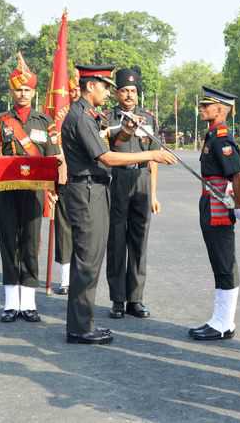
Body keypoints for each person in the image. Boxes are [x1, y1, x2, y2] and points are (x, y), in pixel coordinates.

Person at [61, 64, 176, 345]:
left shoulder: (88, 115)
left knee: (94, 258)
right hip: (88, 190)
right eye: (106, 86)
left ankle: (84, 322)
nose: (110, 92)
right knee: (88, 260)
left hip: (99, 189)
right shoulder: (82, 117)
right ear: (91, 86)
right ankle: (80, 327)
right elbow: (108, 157)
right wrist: (153, 153)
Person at [0, 53, 60, 323]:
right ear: (12, 91)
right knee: (8, 244)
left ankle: (29, 302)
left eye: (27, 89)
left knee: (30, 244)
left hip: (35, 192)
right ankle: (10, 303)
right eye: (18, 89)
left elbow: (54, 156)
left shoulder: (45, 122)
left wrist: (56, 188)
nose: (22, 94)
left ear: (34, 91)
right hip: (7, 190)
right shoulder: (0, 121)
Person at [188, 87, 240, 341]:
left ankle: (225, 322)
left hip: (219, 209)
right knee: (217, 262)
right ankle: (218, 318)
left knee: (224, 263)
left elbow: (239, 176)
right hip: (208, 203)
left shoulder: (222, 138)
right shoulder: (211, 135)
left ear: (221, 110)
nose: (201, 109)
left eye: (207, 105)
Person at [104, 68, 161, 319]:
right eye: (124, 90)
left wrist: (154, 194)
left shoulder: (149, 118)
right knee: (117, 241)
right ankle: (117, 299)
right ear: (116, 93)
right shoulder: (107, 118)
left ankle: (135, 299)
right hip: (116, 180)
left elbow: (154, 159)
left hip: (142, 180)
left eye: (133, 91)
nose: (129, 95)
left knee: (139, 242)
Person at [53, 68, 81, 295]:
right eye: (70, 90)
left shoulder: (94, 116)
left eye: (78, 89)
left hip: (89, 181)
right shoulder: (59, 115)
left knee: (86, 231)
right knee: (64, 230)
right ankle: (65, 277)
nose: (74, 93)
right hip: (64, 178)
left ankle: (81, 275)